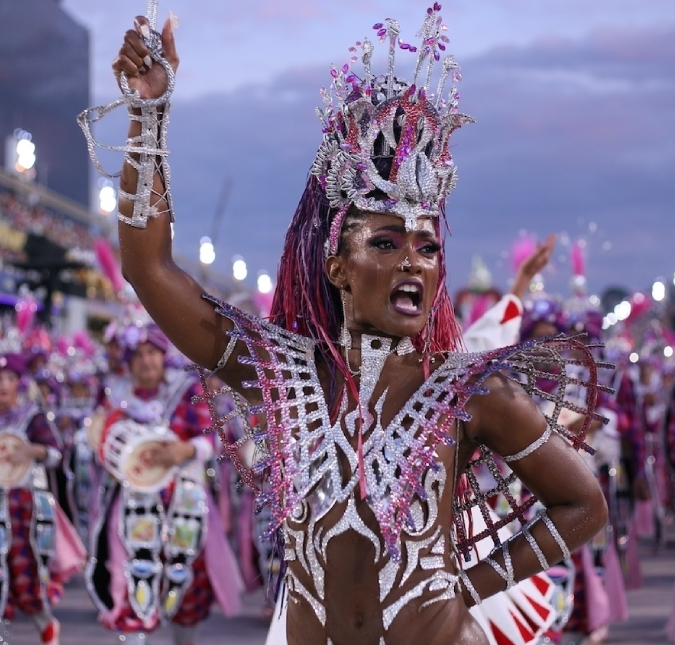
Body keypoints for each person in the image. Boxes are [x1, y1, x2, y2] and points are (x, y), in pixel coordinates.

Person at [82, 5, 609, 644]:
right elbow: (150, 270)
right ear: (338, 267)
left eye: (427, 246)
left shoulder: (473, 395)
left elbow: (584, 506)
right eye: (386, 243)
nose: (413, 260)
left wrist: (467, 587)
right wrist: (146, 116)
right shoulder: (280, 371)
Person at [86, 320, 243, 645]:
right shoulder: (116, 398)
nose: (146, 361)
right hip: (134, 506)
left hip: (184, 504)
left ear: (162, 355)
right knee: (131, 577)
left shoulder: (187, 392)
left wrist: (186, 449)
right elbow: (101, 442)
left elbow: (215, 438)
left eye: (152, 353)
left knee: (187, 584)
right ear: (128, 362)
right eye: (138, 355)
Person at [0, 347, 86, 645]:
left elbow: (55, 453)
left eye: (8, 377)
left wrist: (31, 451)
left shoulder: (32, 417)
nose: (2, 384)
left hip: (24, 512)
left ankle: (45, 626)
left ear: (19, 383)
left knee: (27, 576)